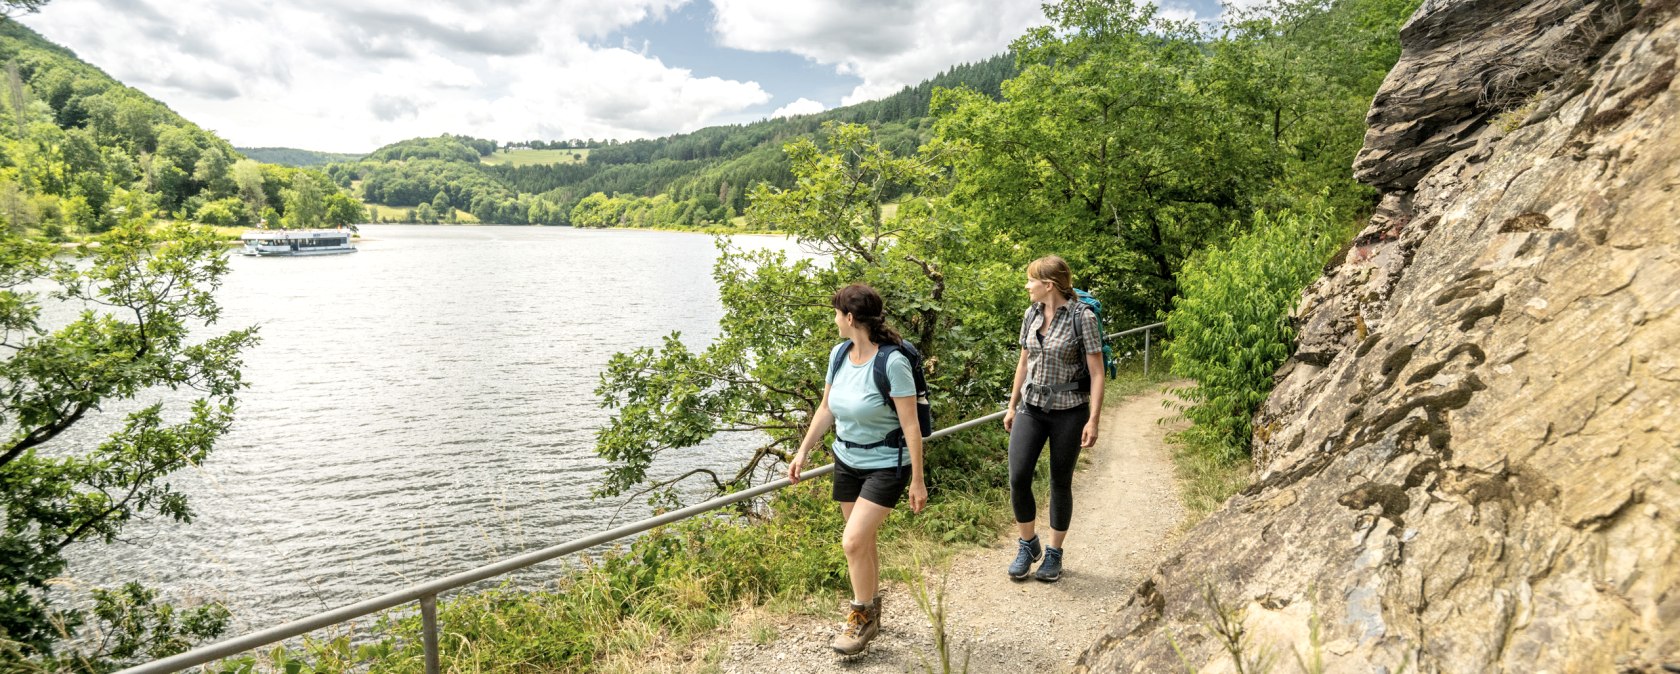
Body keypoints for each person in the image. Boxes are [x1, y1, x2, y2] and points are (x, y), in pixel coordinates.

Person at [788, 283, 928, 656]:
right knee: (862, 541)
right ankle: (873, 608)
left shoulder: (892, 363)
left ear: (850, 318)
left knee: (851, 541)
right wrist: (803, 452)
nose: (834, 320)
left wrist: (918, 479)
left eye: (836, 313)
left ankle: (860, 616)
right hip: (847, 461)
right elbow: (826, 408)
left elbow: (911, 426)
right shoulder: (839, 354)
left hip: (886, 464)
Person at [1002, 255, 1105, 582]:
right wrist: (1011, 404)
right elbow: (1024, 362)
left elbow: (1097, 372)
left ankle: (1054, 554)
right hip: (1031, 408)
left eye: (1031, 280)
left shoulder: (1083, 318)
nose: (1027, 285)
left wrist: (1094, 419)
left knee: (1060, 482)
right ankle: (1028, 544)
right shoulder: (1030, 314)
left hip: (1070, 411)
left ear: (1048, 285)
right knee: (1018, 477)